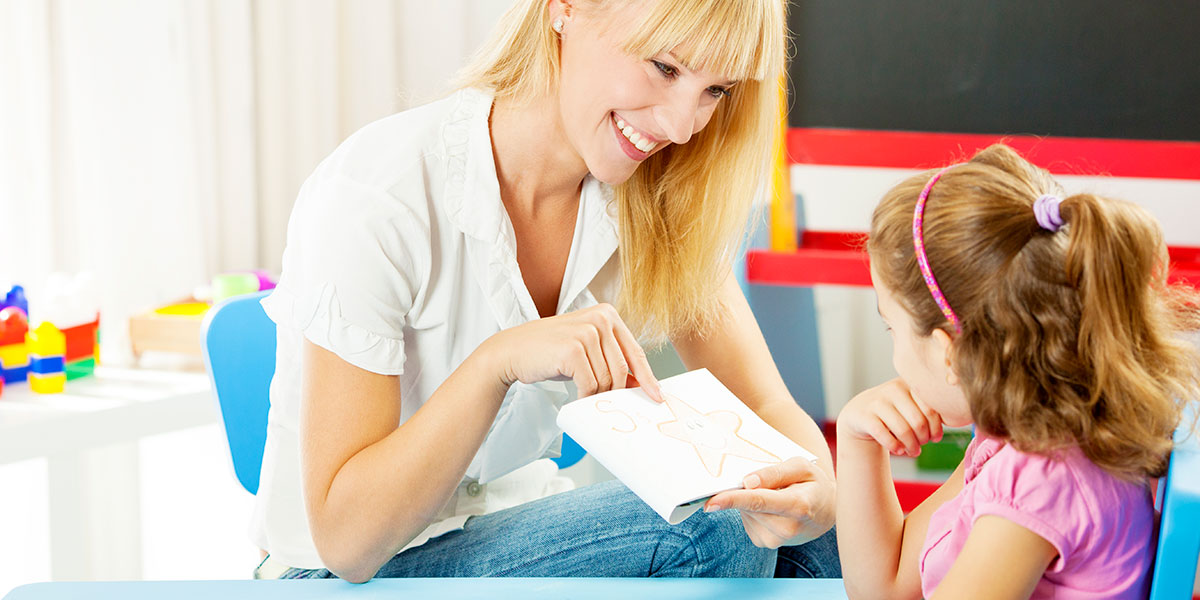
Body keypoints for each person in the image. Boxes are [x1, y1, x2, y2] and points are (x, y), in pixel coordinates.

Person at [252, 0, 840, 583]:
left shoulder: (654, 201)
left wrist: (817, 493)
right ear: (565, 9)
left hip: (520, 533)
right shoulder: (377, 195)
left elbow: (766, 408)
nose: (682, 126)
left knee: (820, 531)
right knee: (716, 524)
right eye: (665, 67)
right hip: (346, 572)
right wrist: (496, 363)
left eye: (717, 91)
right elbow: (347, 543)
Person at [835, 143, 1200, 599]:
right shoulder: (1024, 432)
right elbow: (886, 588)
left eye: (892, 327)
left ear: (950, 354)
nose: (894, 350)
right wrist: (857, 442)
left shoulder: (1040, 480)